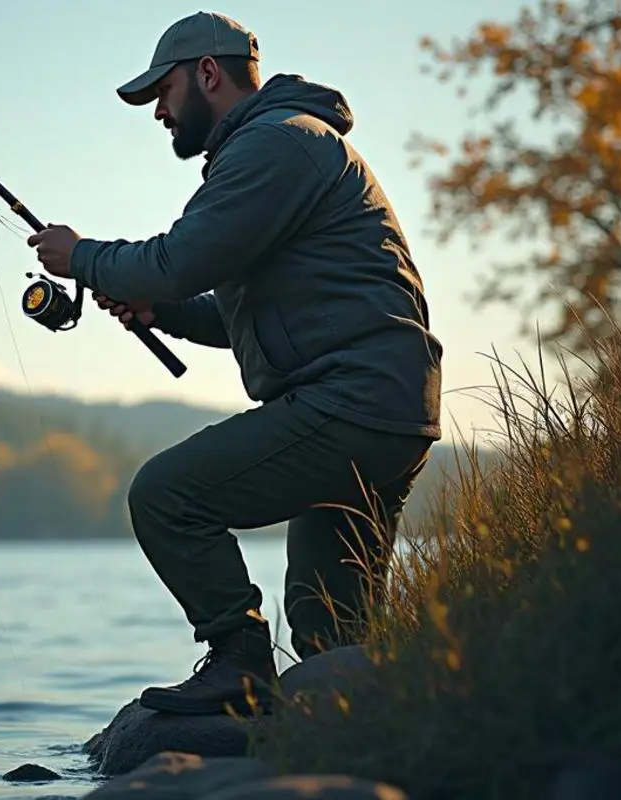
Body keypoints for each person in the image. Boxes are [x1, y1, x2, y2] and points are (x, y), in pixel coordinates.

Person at [26, 10, 443, 717]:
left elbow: (179, 259)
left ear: (208, 75)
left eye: (162, 91)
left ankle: (238, 664)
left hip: (352, 403)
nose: (158, 110)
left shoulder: (277, 146)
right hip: (387, 409)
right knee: (330, 632)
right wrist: (168, 315)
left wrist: (84, 256)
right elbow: (245, 308)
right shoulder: (287, 147)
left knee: (166, 496)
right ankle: (381, 740)